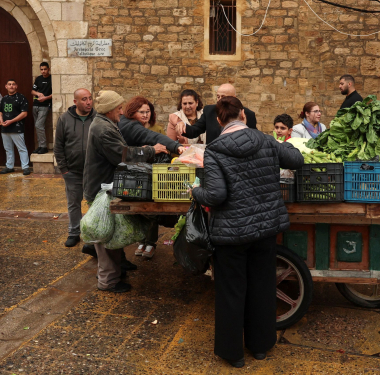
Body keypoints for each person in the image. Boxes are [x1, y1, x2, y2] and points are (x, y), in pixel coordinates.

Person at [190, 96, 303, 368]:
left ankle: (233, 354)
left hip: (231, 233)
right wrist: (282, 145)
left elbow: (215, 195)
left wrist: (194, 191)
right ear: (243, 115)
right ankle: (260, 346)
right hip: (264, 229)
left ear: (219, 121)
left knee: (231, 291)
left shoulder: (215, 150)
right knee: (262, 286)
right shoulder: (266, 140)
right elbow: (296, 159)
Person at [84, 90, 169, 293]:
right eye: (119, 108)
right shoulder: (103, 129)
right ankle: (108, 281)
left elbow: (121, 150)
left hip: (104, 186)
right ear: (109, 109)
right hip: (101, 190)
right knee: (105, 236)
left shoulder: (105, 123)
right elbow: (122, 156)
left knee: (113, 231)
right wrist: (151, 150)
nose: (122, 112)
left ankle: (118, 268)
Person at [119, 96, 184, 260]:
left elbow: (155, 138)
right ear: (132, 112)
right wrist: (176, 147)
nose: (145, 115)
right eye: (141, 112)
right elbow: (151, 139)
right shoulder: (131, 126)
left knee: (149, 207)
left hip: (143, 173)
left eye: (148, 111)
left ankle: (149, 243)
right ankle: (142, 241)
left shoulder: (138, 125)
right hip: (133, 174)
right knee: (141, 208)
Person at [54, 88, 96, 248]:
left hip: (93, 172)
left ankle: (93, 234)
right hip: (72, 171)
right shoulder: (64, 119)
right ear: (75, 102)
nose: (88, 102)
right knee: (73, 204)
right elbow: (58, 146)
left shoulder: (98, 118)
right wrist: (64, 169)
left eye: (90, 98)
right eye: (84, 99)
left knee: (94, 204)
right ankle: (74, 233)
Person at [175, 84, 257, 144]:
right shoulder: (209, 111)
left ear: (234, 98)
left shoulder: (247, 114)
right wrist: (183, 125)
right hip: (214, 156)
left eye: (223, 97)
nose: (219, 100)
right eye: (218, 97)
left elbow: (253, 138)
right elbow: (195, 130)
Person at [0, 79, 31, 176]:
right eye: (9, 84)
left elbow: (24, 113)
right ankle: (9, 167)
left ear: (16, 86)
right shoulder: (4, 98)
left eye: (13, 84)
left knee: (21, 148)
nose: (11, 86)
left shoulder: (21, 98)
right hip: (5, 128)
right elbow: (0, 111)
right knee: (8, 149)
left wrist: (11, 121)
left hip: (17, 128)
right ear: (6, 86)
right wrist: (0, 119)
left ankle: (25, 167)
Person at [31, 62, 52, 154]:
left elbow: (56, 93)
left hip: (45, 105)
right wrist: (38, 93)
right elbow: (32, 91)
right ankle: (40, 146)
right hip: (36, 105)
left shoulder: (52, 79)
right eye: (41, 69)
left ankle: (44, 147)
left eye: (45, 69)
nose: (43, 71)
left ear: (48, 69)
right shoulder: (38, 78)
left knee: (39, 125)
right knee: (37, 126)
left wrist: (46, 98)